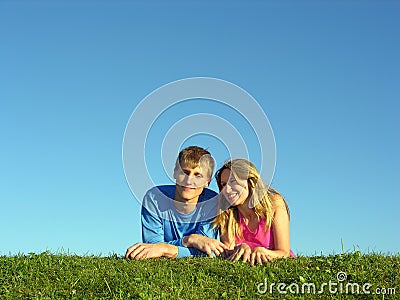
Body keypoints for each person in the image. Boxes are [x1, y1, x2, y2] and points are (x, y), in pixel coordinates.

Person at [125, 146, 227, 259]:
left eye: (198, 175)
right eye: (185, 172)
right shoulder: (154, 198)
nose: (189, 181)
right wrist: (189, 240)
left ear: (207, 181)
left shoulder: (212, 202)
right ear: (175, 173)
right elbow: (152, 247)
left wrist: (164, 249)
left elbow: (205, 251)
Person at [213, 158, 295, 266]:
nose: (227, 190)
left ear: (250, 181)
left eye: (233, 182)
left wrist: (265, 252)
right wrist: (240, 247)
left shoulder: (274, 204)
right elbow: (228, 252)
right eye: (223, 185)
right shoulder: (227, 214)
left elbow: (283, 252)